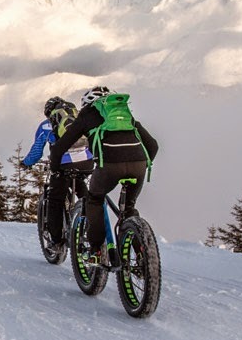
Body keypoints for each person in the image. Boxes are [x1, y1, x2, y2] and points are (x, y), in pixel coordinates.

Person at [49, 86, 159, 266]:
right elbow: (153, 146)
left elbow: (60, 148)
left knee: (94, 199)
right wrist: (141, 164)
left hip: (109, 166)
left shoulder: (86, 115)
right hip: (139, 165)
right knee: (128, 208)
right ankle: (143, 256)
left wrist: (55, 169)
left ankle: (96, 251)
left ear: (87, 104)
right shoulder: (125, 116)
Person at [24, 96, 94, 255]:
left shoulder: (47, 125)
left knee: (55, 200)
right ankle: (89, 223)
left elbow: (36, 151)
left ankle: (56, 242)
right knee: (85, 195)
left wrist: (26, 163)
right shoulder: (80, 120)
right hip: (87, 163)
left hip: (63, 165)